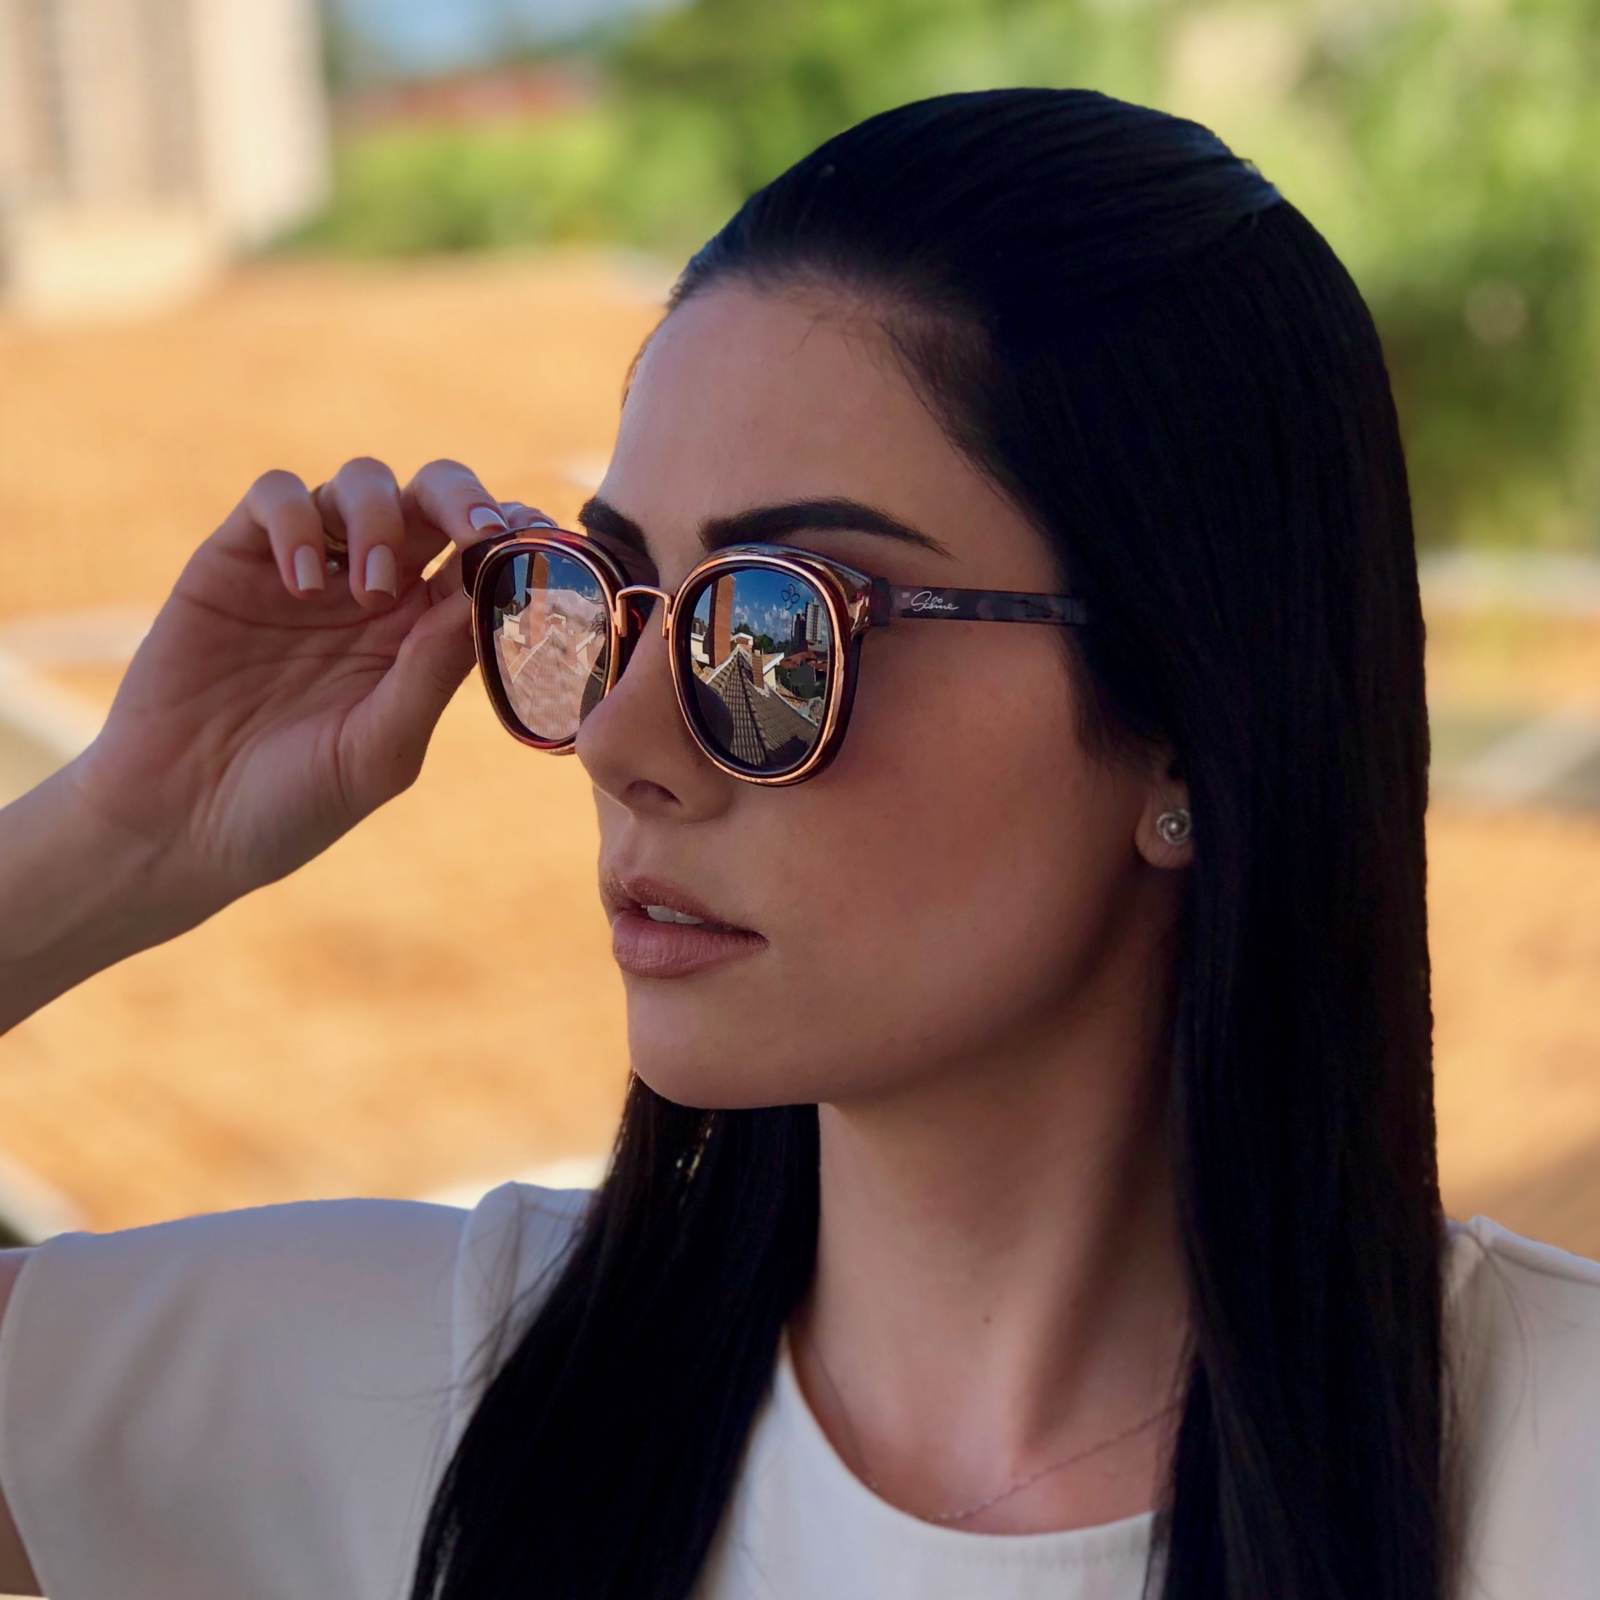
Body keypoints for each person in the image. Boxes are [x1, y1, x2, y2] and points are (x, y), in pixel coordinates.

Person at [0, 85, 1597, 1600]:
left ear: (1187, 709)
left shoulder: (1553, 1473)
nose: (620, 742)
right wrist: (126, 830)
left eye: (777, 624)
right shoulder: (434, 1388)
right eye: (608, 599)